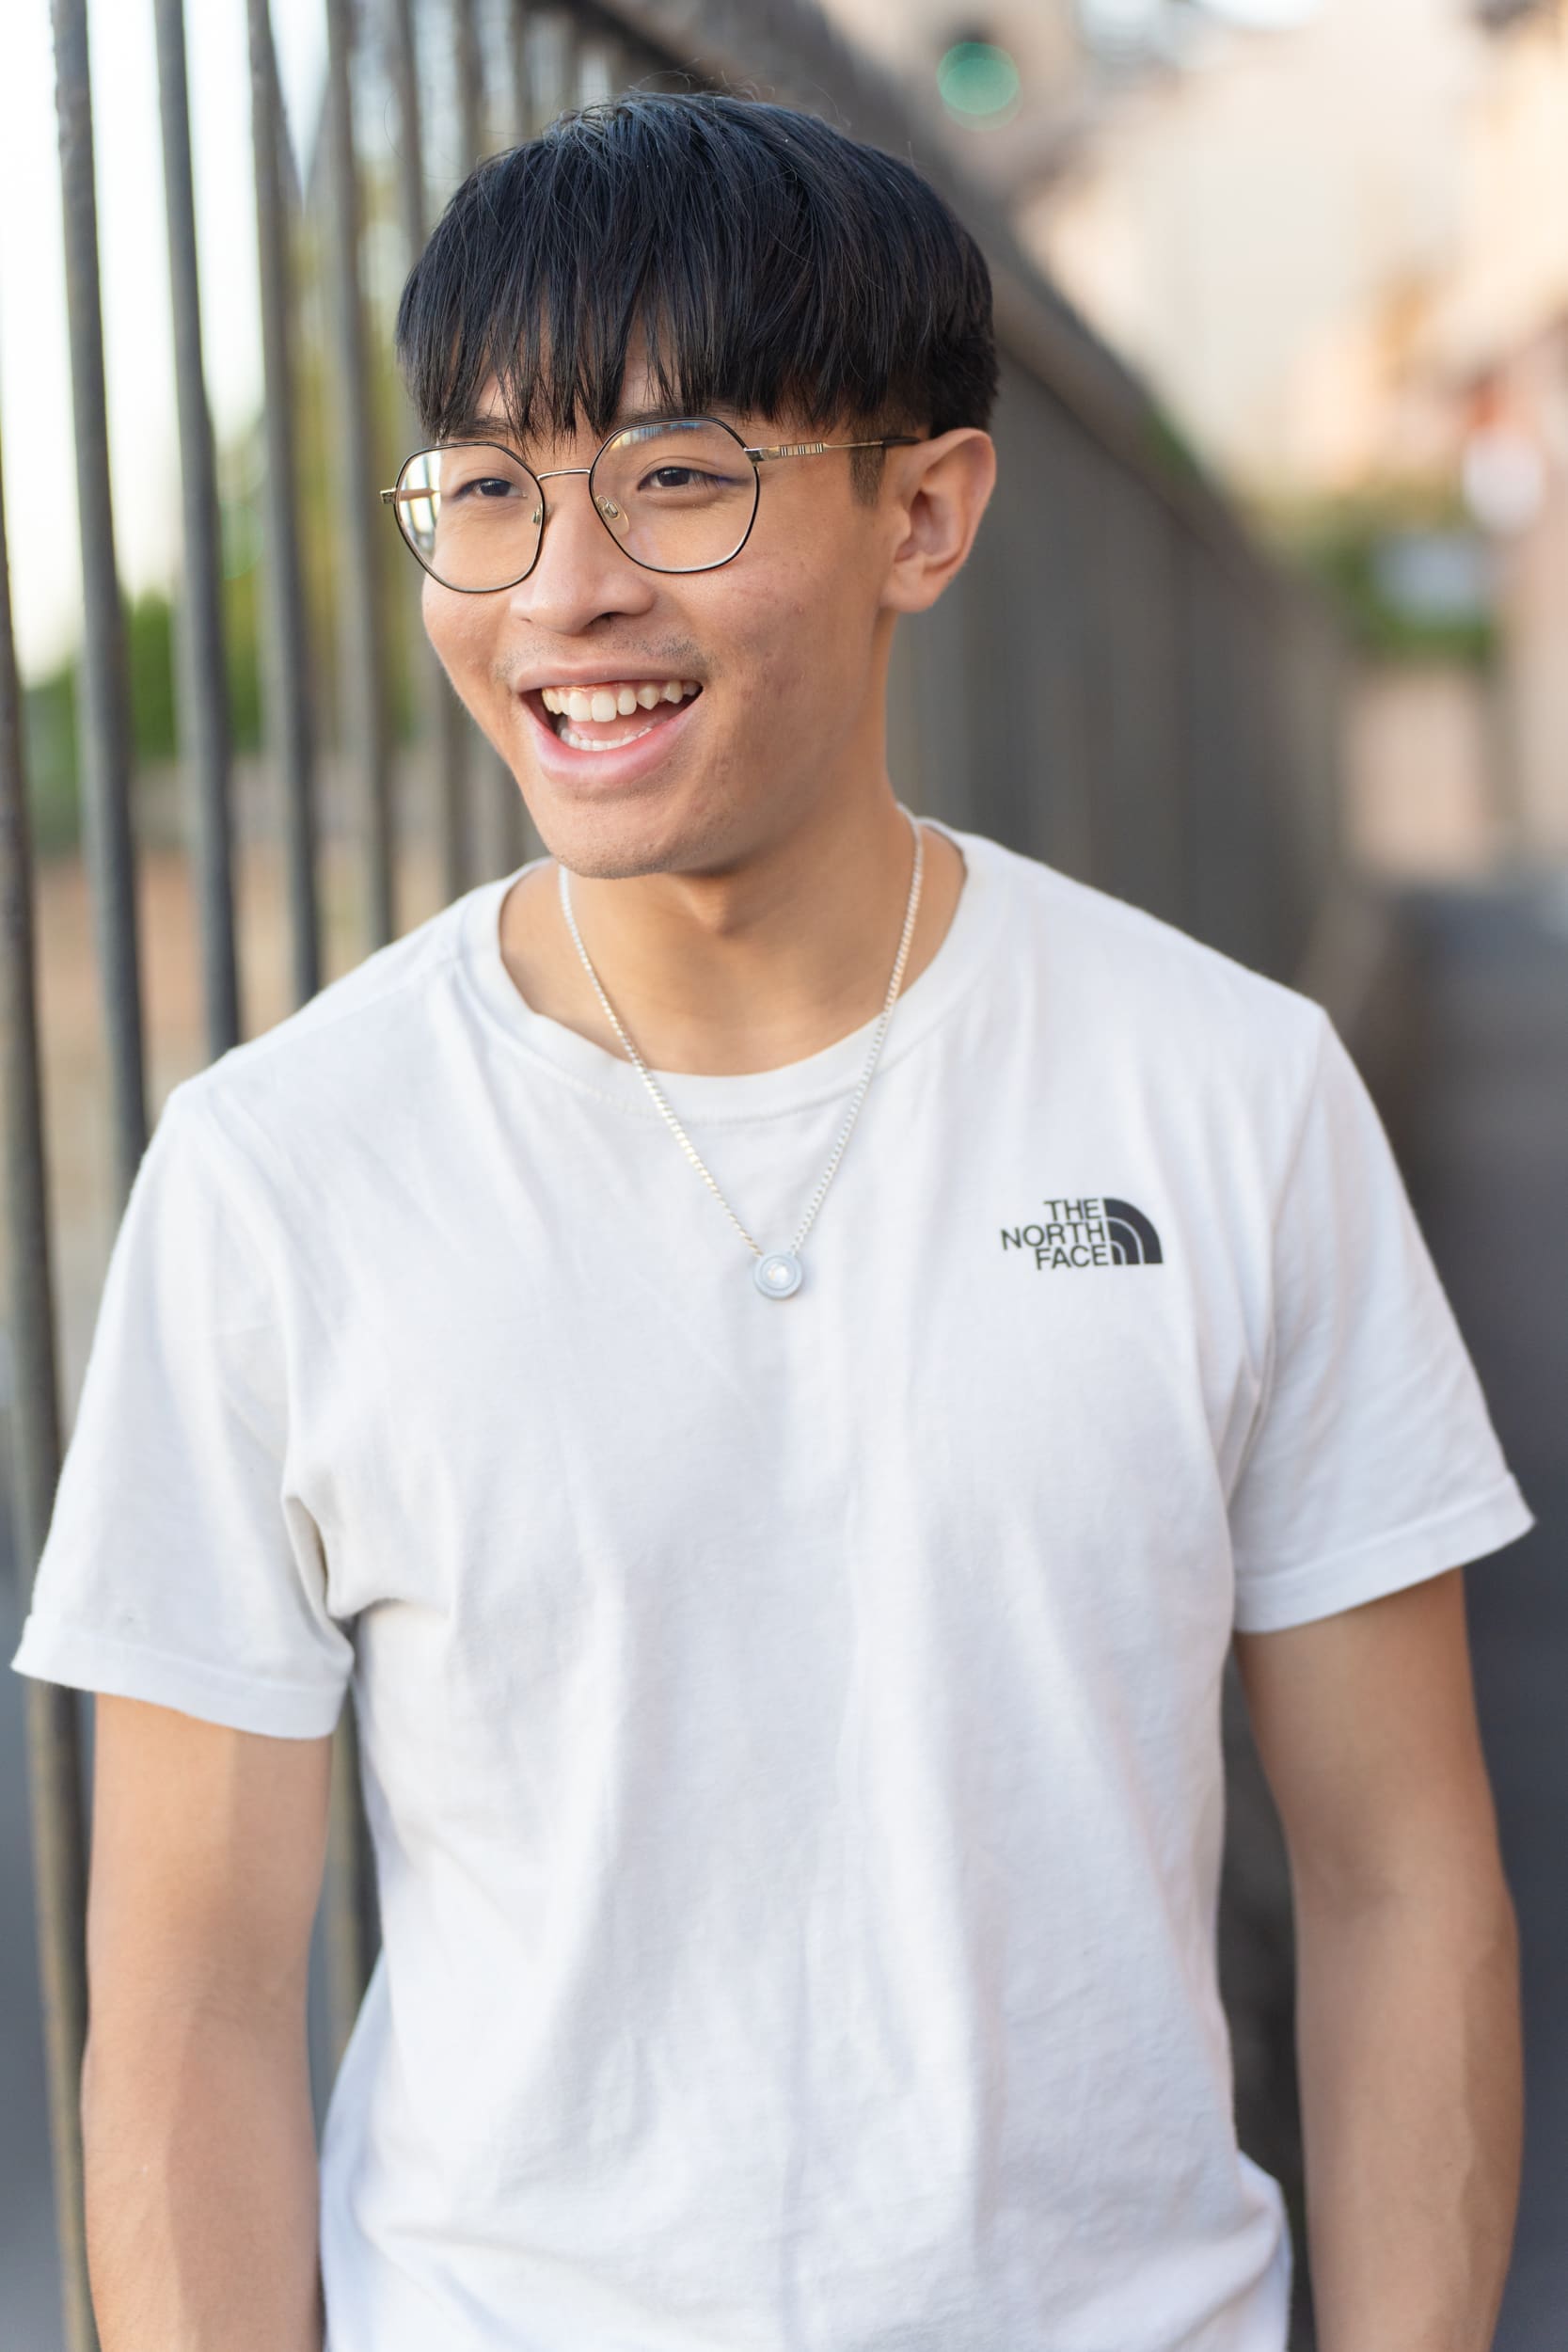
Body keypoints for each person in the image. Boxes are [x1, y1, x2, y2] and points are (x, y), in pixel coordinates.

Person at [11, 90, 1534, 2352]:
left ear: (927, 509)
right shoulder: (280, 1165)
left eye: (682, 476)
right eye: (494, 490)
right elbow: (196, 1999)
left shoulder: (1228, 1090)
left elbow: (1404, 1875)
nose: (563, 590)